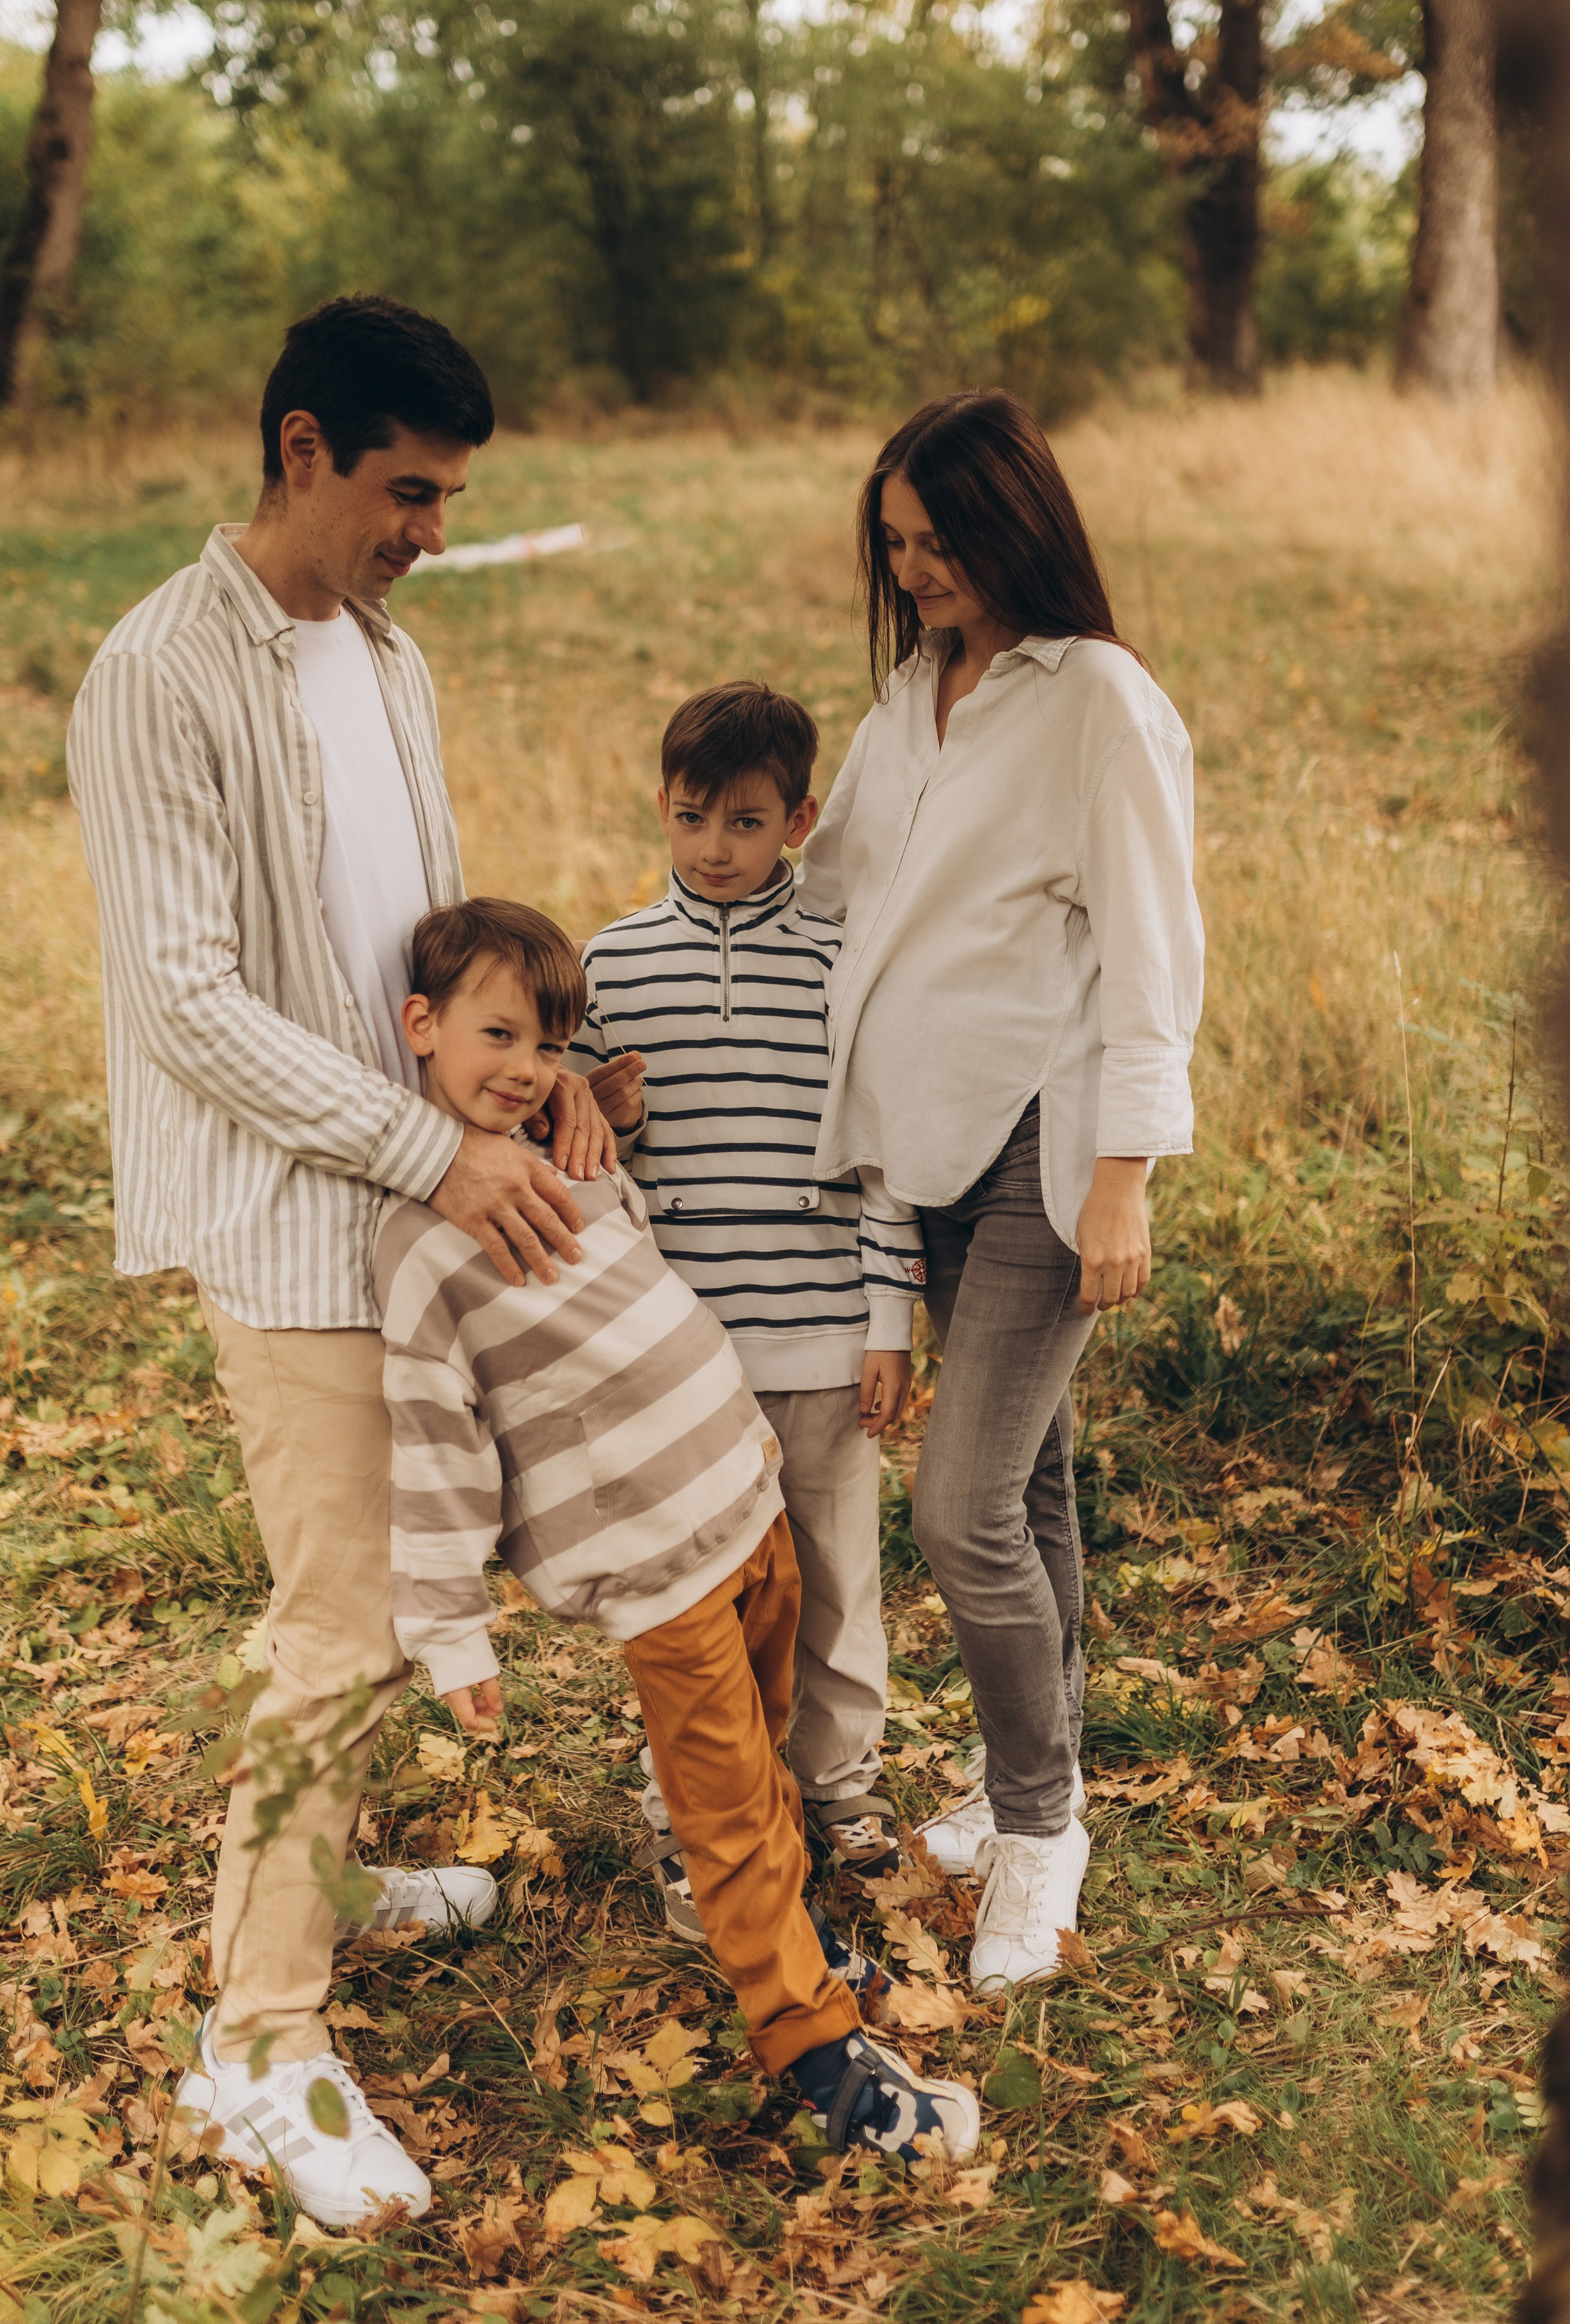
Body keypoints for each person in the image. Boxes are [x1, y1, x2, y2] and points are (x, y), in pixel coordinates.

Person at [68, 295, 614, 2231]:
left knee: (391, 1585)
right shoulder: (159, 674)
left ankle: (325, 1872)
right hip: (300, 1220)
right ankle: (263, 2035)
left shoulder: (389, 659)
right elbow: (190, 1002)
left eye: (452, 499)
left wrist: (549, 1077)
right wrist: (430, 1152)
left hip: (424, 1193)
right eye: (408, 491)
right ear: (302, 449)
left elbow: (436, 939)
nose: (433, 535)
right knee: (346, 1616)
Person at [376, 894, 981, 2170]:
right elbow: (432, 1444)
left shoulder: (558, 1150)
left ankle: (796, 1945)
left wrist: (598, 1110)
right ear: (417, 1026)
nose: (523, 1068)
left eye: (544, 1046)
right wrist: (448, 1630)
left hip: (743, 1501)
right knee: (724, 1804)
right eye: (495, 1036)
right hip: (650, 1561)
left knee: (765, 1763)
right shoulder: (423, 1245)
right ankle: (817, 2052)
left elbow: (630, 1259)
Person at [797, 390, 1205, 1999]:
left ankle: (1039, 1832)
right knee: (1025, 1487)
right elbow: (828, 882)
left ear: (1014, 525)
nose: (913, 574)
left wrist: (1124, 1178)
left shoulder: (1096, 699)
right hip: (928, 1150)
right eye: (893, 548)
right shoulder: (914, 695)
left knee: (959, 1509)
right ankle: (1026, 1782)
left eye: (938, 544)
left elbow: (1151, 953)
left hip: (1049, 1148)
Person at [568, 683, 925, 1931]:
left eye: (745, 821)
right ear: (660, 811)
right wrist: (603, 1121)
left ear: (800, 820)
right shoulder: (607, 968)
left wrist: (888, 1322)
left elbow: (885, 1156)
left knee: (832, 1577)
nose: (714, 848)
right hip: (678, 1358)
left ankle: (841, 1784)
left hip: (825, 1337)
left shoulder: (843, 964)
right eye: (689, 819)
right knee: (700, 1595)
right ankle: (703, 1810)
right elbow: (569, 1162)